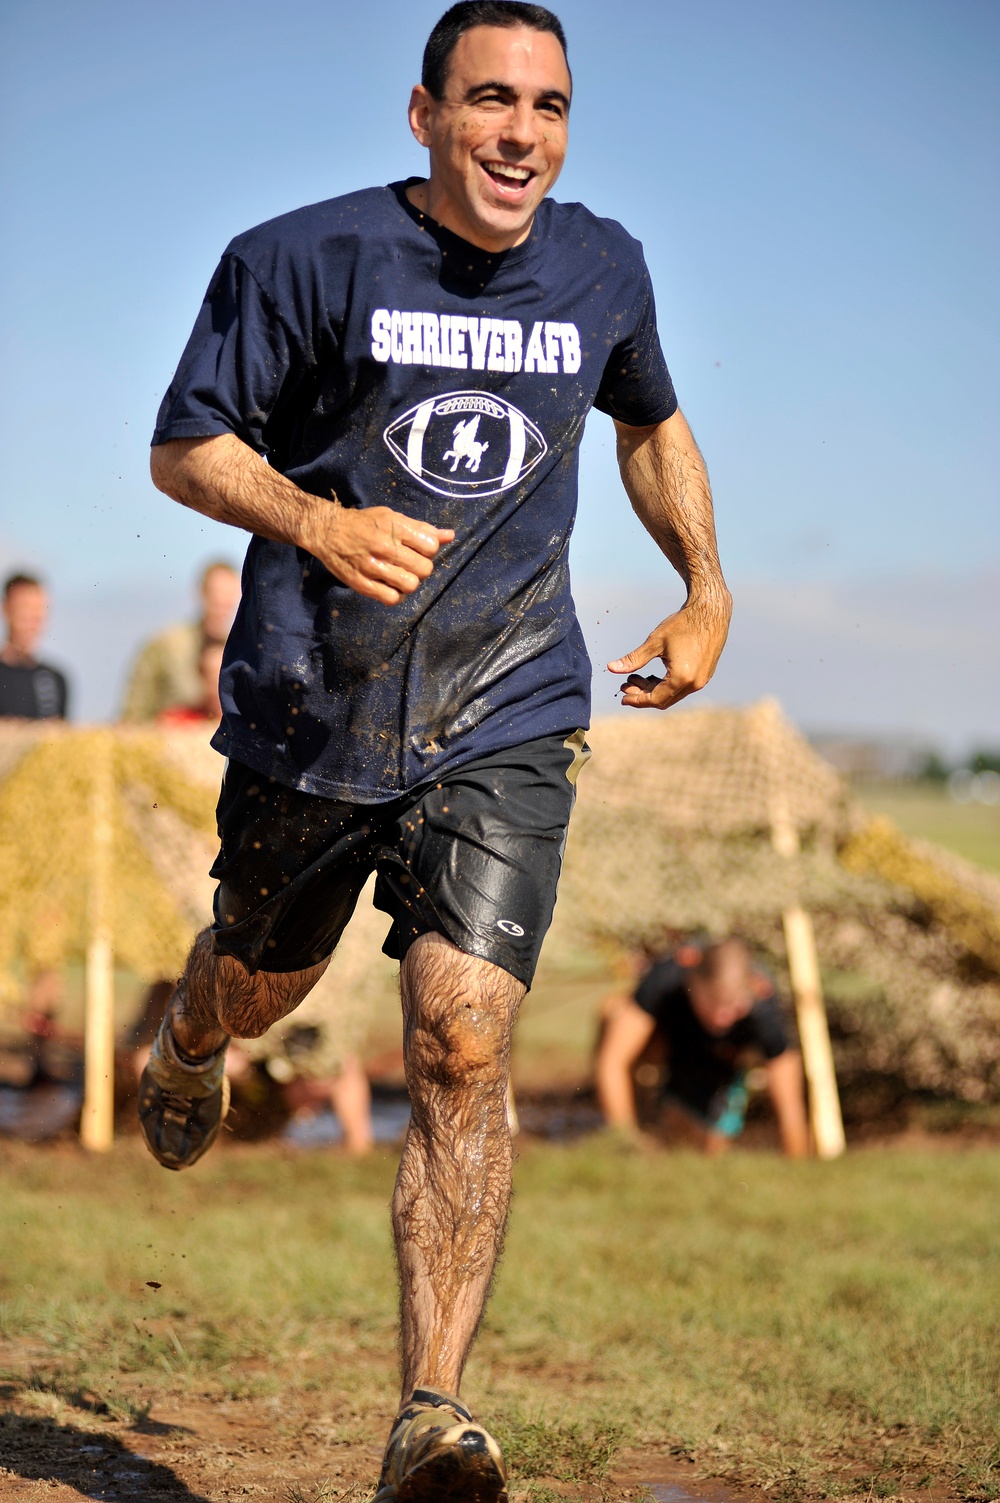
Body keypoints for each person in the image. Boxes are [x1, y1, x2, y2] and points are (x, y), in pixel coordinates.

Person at [138, 4, 733, 1498]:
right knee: (263, 978)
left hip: (510, 704)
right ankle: (196, 1029)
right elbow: (185, 445)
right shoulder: (301, 256)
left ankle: (432, 1411)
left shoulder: (604, 266)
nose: (520, 131)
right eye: (488, 101)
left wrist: (706, 585)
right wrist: (320, 521)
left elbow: (650, 425)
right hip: (314, 704)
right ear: (424, 117)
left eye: (547, 105)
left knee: (463, 1034)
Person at [595, 938, 809, 1157]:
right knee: (615, 1011)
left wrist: (798, 1165)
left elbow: (790, 1107)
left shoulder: (764, 1007)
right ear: (694, 982)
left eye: (734, 1007)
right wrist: (624, 1143)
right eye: (714, 1003)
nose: (722, 1018)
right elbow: (612, 1062)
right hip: (669, 1042)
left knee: (709, 1146)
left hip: (724, 1060)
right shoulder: (667, 977)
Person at [120, 560, 239, 721]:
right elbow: (134, 712)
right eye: (216, 594)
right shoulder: (167, 645)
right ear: (202, 592)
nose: (221, 603)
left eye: (228, 596)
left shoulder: (240, 650)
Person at [0, 574, 69, 720]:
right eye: (25, 610)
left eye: (38, 611)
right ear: (6, 609)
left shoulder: (55, 679)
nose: (32, 620)